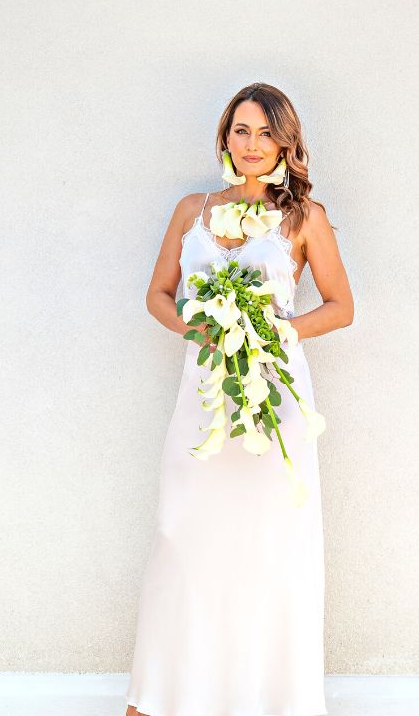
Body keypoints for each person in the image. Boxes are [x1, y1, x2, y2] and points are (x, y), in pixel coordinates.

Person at [125, 81, 354, 716]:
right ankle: (164, 700)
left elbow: (341, 307)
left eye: (264, 133)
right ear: (225, 136)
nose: (251, 145)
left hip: (273, 399)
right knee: (183, 539)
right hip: (203, 396)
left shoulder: (304, 218)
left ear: (285, 141)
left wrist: (280, 329)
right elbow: (158, 295)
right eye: (240, 131)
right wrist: (194, 326)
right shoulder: (191, 210)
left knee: (269, 550)